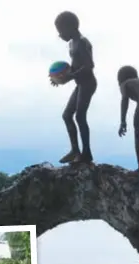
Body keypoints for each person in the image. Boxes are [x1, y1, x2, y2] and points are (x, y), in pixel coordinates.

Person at [51, 11, 97, 164]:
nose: (59, 35)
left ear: (70, 27)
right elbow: (75, 66)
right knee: (66, 115)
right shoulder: (71, 43)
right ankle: (75, 150)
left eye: (61, 31)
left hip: (88, 83)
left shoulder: (83, 42)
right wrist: (60, 78)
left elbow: (89, 66)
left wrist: (70, 76)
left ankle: (86, 154)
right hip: (80, 84)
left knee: (80, 116)